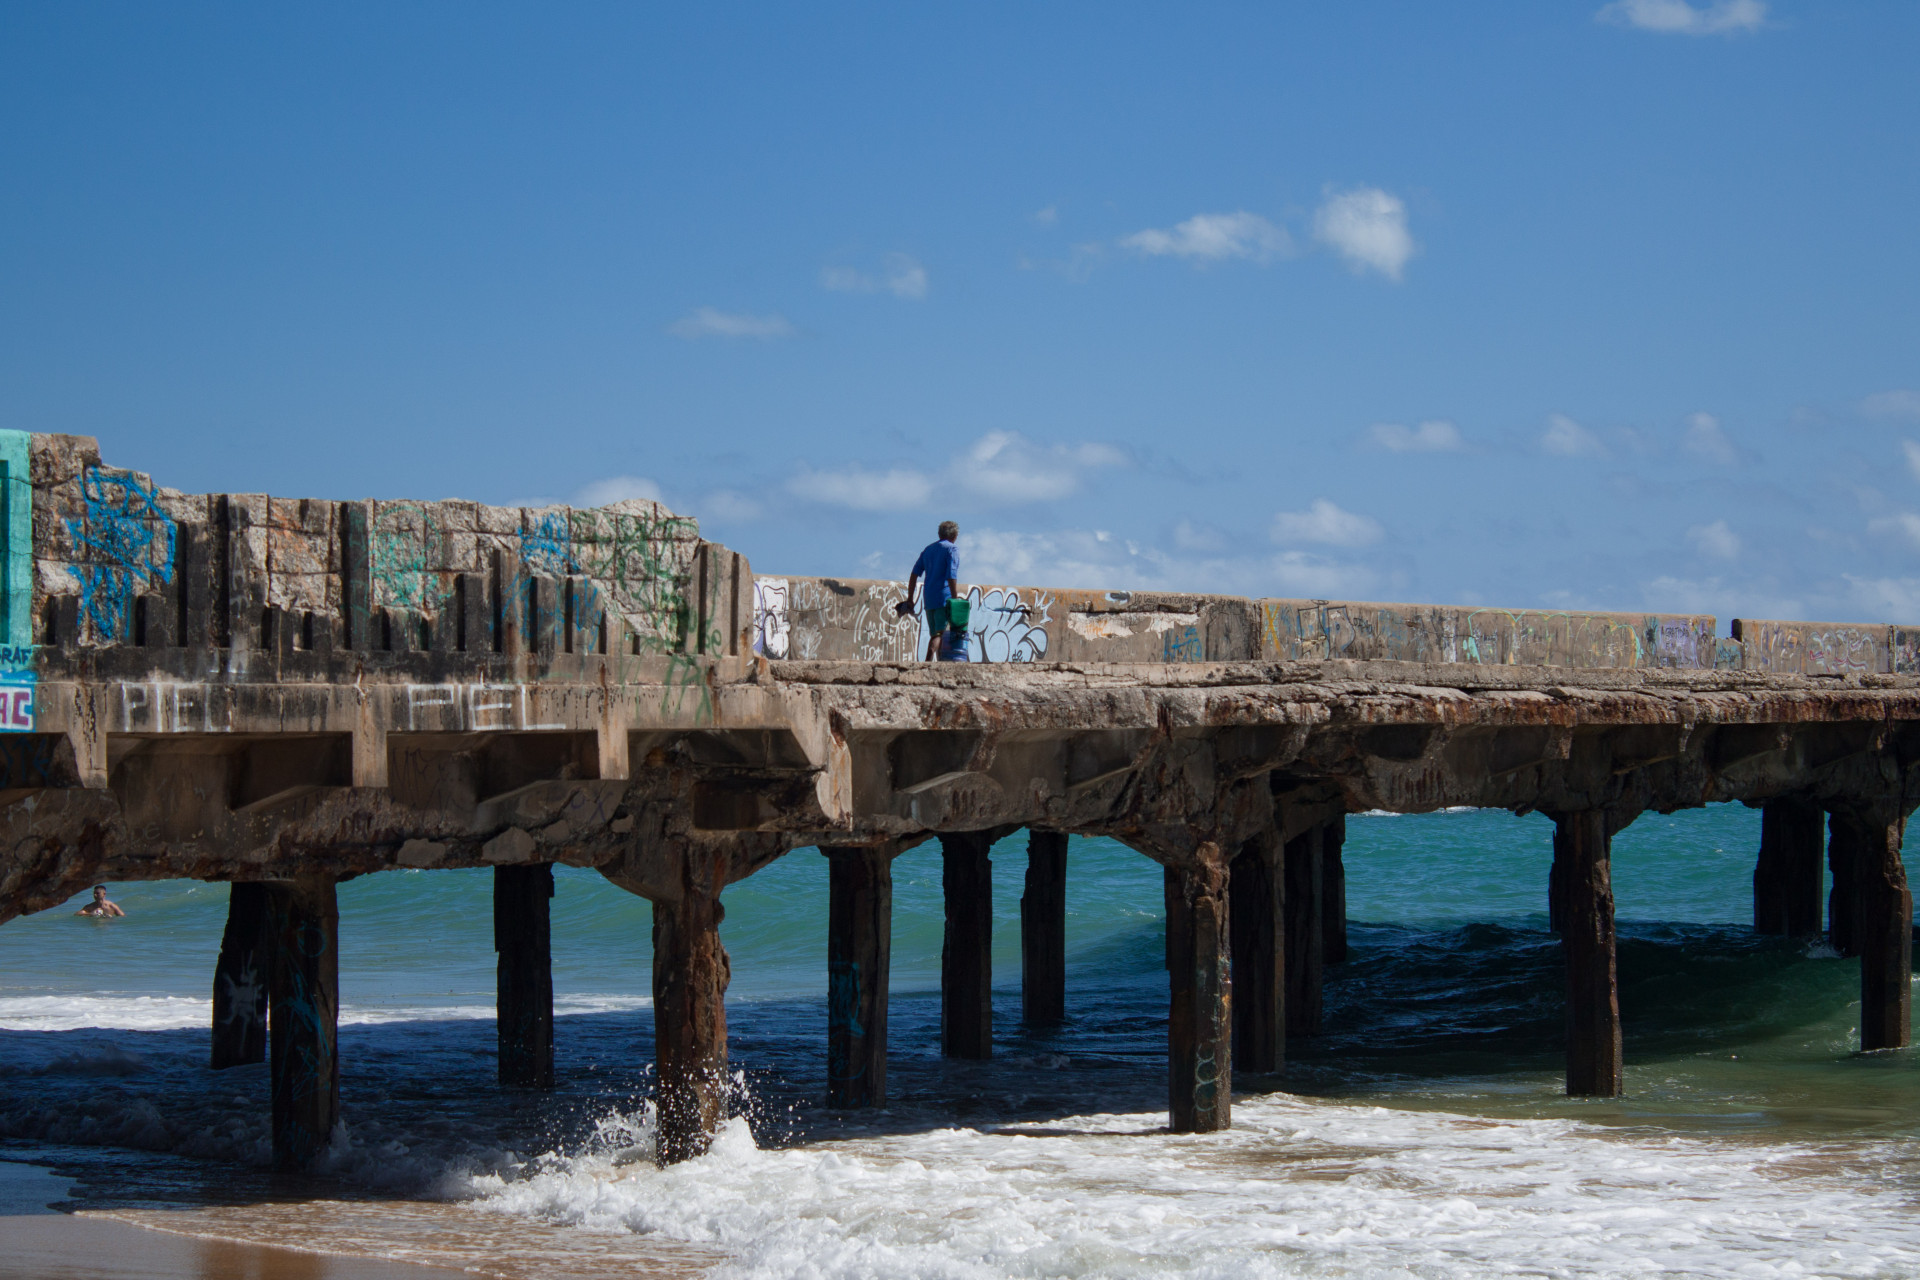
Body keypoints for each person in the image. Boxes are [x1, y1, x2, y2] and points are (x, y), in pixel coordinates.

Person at [900, 520, 965, 660]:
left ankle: (936, 662)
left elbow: (914, 574)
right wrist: (955, 598)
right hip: (944, 598)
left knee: (935, 633)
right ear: (954, 535)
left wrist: (910, 598)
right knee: (939, 634)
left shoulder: (928, 549)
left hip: (928, 598)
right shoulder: (952, 549)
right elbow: (951, 575)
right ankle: (928, 661)